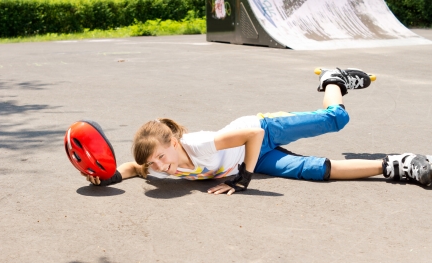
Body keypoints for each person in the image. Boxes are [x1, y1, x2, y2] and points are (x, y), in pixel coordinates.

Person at [81, 68, 432, 195]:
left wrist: (243, 179)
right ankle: (398, 164)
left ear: (174, 142)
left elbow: (253, 135)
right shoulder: (162, 166)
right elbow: (133, 168)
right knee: (318, 171)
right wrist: (107, 177)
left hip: (264, 129)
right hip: (255, 158)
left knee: (336, 120)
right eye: (155, 165)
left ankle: (333, 80)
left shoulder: (201, 144)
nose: (160, 167)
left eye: (161, 156)